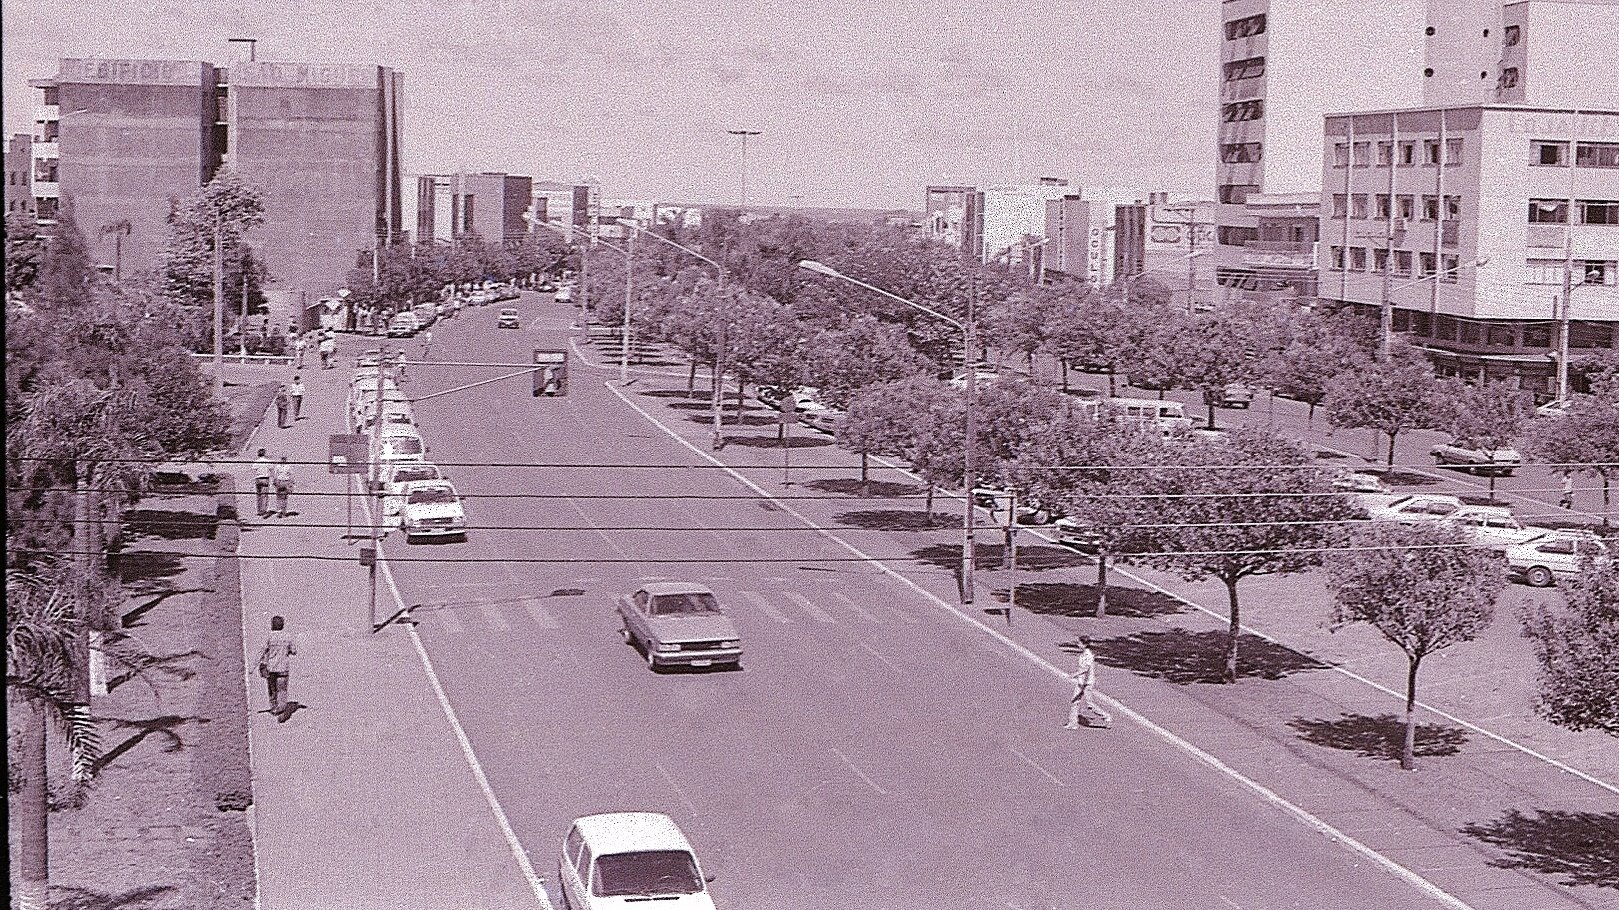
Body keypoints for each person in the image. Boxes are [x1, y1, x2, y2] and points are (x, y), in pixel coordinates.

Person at [1064, 638, 1113, 730]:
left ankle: (1106, 717)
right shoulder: (1082, 654)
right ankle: (1073, 723)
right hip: (1081, 682)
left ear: (1084, 644)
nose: (1078, 645)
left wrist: (1074, 674)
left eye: (1079, 643)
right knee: (1075, 701)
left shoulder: (1088, 655)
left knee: (1089, 705)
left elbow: (1085, 669)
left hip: (1087, 684)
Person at [257, 615, 298, 722]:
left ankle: (274, 707)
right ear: (282, 625)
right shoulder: (288, 636)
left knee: (272, 689)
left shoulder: (268, 637)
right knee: (282, 690)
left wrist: (256, 665)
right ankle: (281, 709)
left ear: (272, 625)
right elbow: (293, 651)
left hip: (271, 667)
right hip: (283, 667)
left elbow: (262, 651)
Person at [252, 448, 272, 517]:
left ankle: (259, 510)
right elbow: (271, 469)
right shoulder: (267, 461)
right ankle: (264, 510)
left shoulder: (256, 461)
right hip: (265, 478)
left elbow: (254, 468)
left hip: (258, 478)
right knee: (265, 495)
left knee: (258, 495)